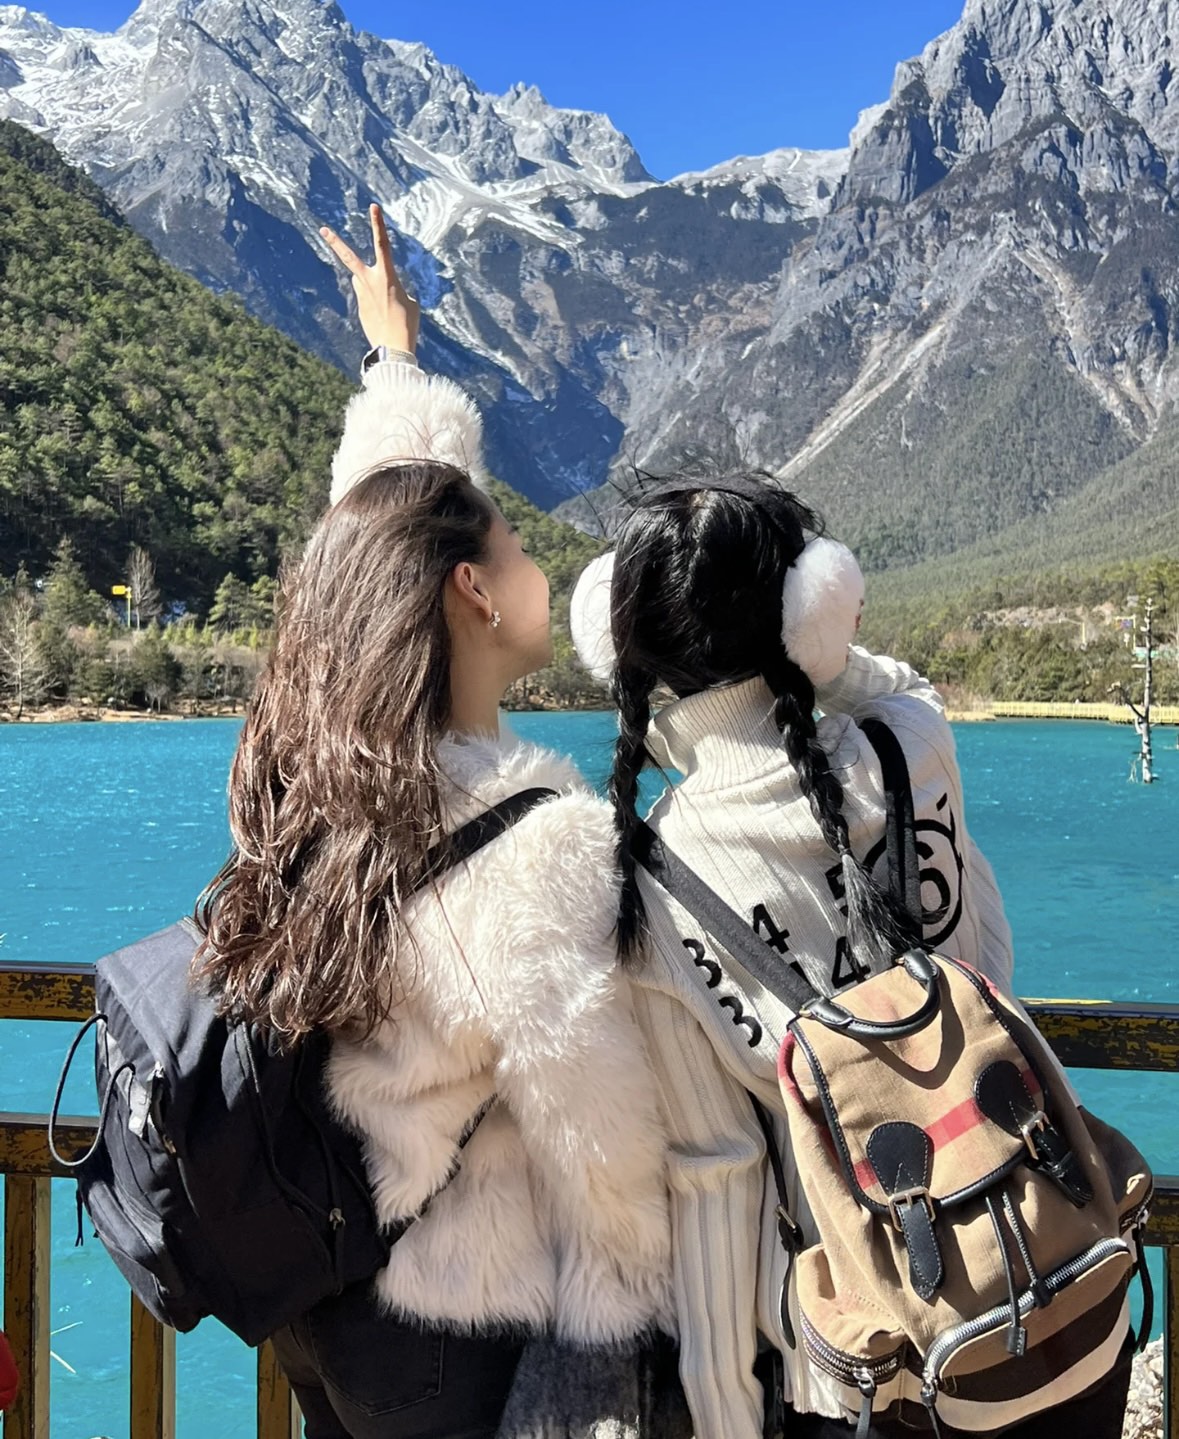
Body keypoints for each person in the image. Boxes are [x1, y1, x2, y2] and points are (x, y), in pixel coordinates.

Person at [194, 206, 680, 1439]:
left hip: (326, 1294)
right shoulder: (536, 836)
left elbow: (374, 549)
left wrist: (395, 366)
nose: (534, 564)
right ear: (471, 591)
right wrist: (662, 1298)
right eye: (514, 544)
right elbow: (603, 1151)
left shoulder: (321, 778)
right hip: (452, 1330)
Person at [568, 474, 1134, 1438]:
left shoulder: (649, 879)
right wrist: (822, 652)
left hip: (874, 1367)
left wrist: (725, 1409)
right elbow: (987, 955)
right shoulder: (910, 743)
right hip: (1057, 1278)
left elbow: (719, 1177)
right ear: (813, 607)